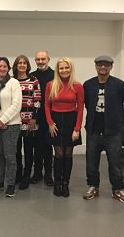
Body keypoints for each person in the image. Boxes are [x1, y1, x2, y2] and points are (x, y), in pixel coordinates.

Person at [83, 55, 124, 205]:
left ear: (111, 66)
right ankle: (93, 186)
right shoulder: (88, 85)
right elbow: (86, 104)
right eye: (100, 64)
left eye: (106, 65)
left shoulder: (119, 85)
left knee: (115, 163)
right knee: (91, 162)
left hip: (112, 133)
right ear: (96, 66)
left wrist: (119, 121)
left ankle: (117, 189)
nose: (103, 67)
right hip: (93, 131)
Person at [45, 57, 84, 197]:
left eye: (66, 67)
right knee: (58, 154)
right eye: (61, 68)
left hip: (71, 122)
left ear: (71, 68)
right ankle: (57, 183)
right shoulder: (51, 85)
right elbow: (46, 105)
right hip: (55, 122)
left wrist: (77, 129)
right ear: (58, 70)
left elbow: (80, 108)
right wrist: (50, 122)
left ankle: (65, 183)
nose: (64, 70)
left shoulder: (78, 86)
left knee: (68, 154)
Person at [0, 57, 22, 197]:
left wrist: (3, 120)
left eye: (4, 66)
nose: (2, 68)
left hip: (11, 125)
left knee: (10, 156)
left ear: (8, 68)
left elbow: (16, 104)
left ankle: (11, 184)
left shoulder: (14, 83)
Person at [12, 54, 41, 190]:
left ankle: (26, 176)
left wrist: (34, 118)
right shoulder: (11, 81)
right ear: (16, 65)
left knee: (29, 150)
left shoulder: (34, 80)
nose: (22, 65)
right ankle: (18, 173)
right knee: (16, 150)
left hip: (30, 121)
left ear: (27, 66)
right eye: (19, 63)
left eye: (24, 63)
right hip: (15, 121)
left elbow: (37, 100)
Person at [30, 50, 55, 186]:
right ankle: (38, 172)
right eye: (38, 59)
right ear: (35, 61)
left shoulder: (55, 76)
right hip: (36, 117)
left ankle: (48, 174)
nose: (40, 62)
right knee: (37, 146)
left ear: (48, 59)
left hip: (51, 117)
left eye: (43, 59)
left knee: (48, 146)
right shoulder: (32, 76)